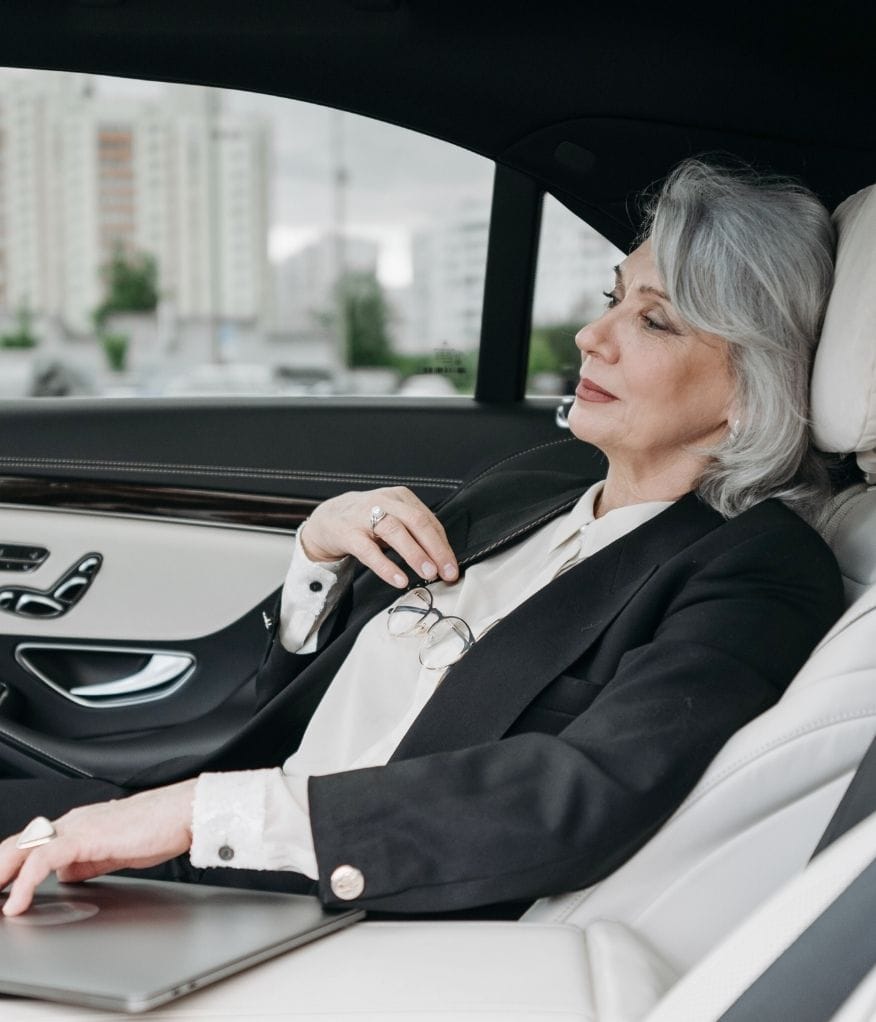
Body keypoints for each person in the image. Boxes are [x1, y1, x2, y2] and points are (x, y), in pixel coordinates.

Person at [0, 159, 844, 918]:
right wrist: (318, 563)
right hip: (212, 827)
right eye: (611, 299)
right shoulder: (535, 486)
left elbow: (579, 793)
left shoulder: (757, 569)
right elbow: (287, 707)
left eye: (654, 322)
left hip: (308, 884)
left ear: (751, 384)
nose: (593, 336)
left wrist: (198, 817)